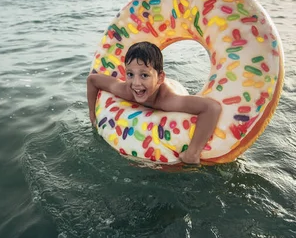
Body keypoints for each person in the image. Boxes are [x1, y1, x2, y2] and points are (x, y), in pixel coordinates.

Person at [87, 41, 222, 165]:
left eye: (144, 75)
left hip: (169, 88)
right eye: (130, 74)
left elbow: (211, 108)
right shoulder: (126, 90)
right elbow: (92, 80)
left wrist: (192, 153)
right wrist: (92, 114)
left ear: (160, 78)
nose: (136, 83)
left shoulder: (168, 101)